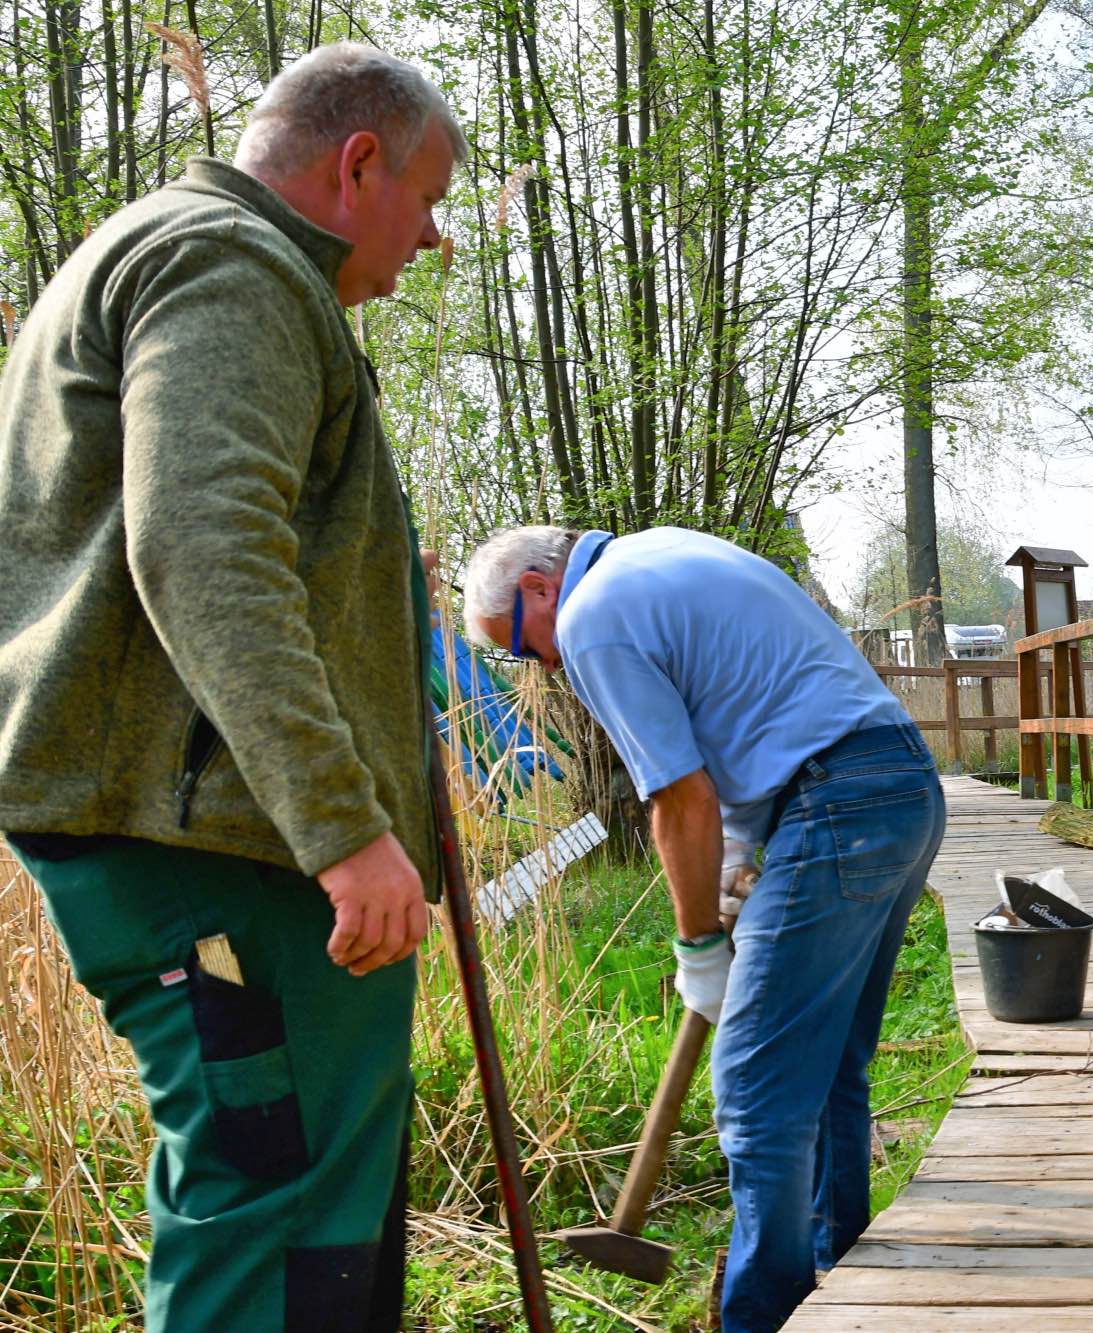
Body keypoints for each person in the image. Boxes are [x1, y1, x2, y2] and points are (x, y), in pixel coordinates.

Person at [0, 44, 464, 1329]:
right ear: (356, 161)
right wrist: (345, 823)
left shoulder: (178, 256)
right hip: (218, 841)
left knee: (308, 1202)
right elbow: (203, 547)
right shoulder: (232, 264)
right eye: (427, 202)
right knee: (275, 1211)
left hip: (206, 823)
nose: (431, 242)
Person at [460, 524, 945, 1333]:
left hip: (835, 801)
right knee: (827, 1069)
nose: (541, 668)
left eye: (518, 647)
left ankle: (764, 1316)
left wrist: (697, 945)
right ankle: (838, 1270)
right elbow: (756, 710)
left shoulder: (590, 618)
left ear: (540, 590)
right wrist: (743, 859)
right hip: (896, 784)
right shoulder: (664, 552)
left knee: (755, 1091)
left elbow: (679, 799)